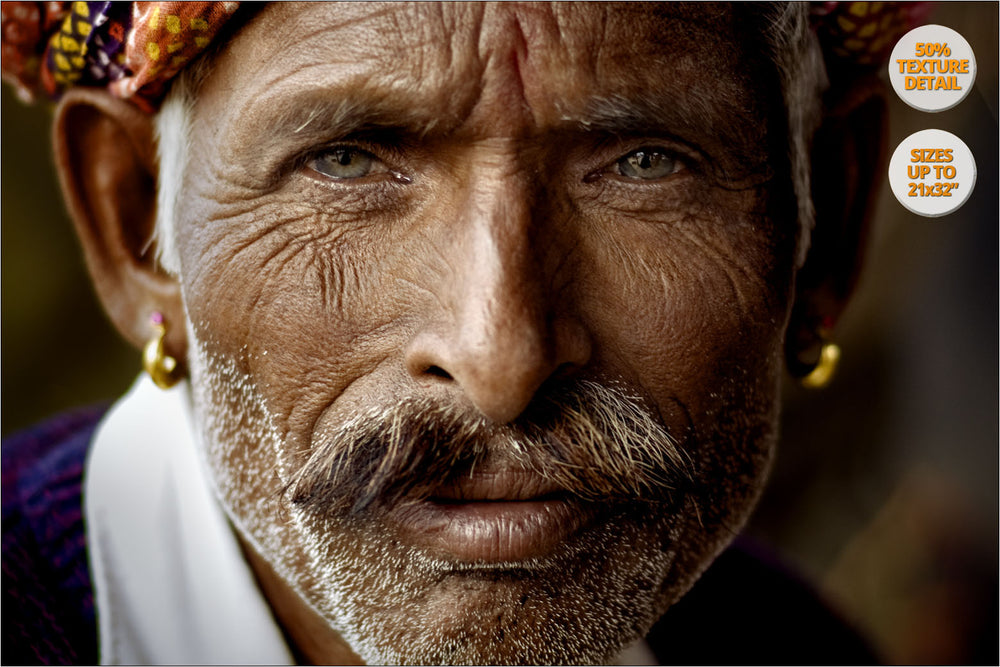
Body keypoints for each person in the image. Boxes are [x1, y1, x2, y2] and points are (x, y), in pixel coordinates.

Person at [2, 2, 919, 664]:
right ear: (135, 227)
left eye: (644, 163)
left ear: (824, 228)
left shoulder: (787, 644)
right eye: (347, 160)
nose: (502, 358)